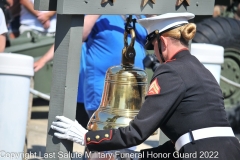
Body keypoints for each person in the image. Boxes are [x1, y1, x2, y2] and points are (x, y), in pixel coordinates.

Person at [51, 12, 240, 160]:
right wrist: (133, 157)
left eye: (153, 47)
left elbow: (137, 133)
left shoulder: (170, 71)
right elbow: (185, 139)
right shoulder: (201, 70)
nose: (155, 55)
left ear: (162, 43)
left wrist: (86, 137)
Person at [34, 15, 147, 129]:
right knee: (101, 138)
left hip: (133, 90)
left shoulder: (138, 15)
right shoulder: (99, 14)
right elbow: (76, 36)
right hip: (102, 90)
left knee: (127, 140)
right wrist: (43, 60)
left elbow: (154, 38)